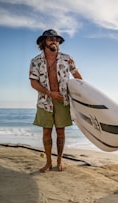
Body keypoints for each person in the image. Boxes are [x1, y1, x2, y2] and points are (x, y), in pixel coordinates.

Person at [29, 29, 82, 173]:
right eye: (51, 38)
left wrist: (84, 97)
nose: (54, 41)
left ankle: (59, 160)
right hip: (45, 101)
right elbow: (33, 83)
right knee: (46, 132)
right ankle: (48, 162)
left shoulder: (67, 58)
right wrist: (50, 93)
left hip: (62, 101)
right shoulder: (36, 61)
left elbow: (77, 77)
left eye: (57, 39)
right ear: (43, 42)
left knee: (60, 132)